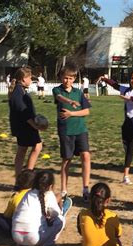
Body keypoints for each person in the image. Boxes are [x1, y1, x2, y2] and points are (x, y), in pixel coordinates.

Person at [99, 71, 133, 185]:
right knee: (130, 149)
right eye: (132, 78)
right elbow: (115, 85)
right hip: (130, 123)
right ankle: (125, 176)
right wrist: (104, 79)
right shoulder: (126, 90)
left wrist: (130, 99)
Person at [52, 63, 92, 201]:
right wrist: (70, 101)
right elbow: (60, 98)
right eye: (65, 78)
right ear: (61, 77)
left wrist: (72, 113)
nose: (67, 81)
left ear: (74, 79)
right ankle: (63, 190)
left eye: (70, 78)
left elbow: (87, 111)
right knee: (66, 159)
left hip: (80, 129)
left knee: (86, 156)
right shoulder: (57, 90)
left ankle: (86, 189)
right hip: (66, 130)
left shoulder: (79, 93)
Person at [12, 171, 72, 246]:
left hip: (16, 236)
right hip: (33, 238)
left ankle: (22, 243)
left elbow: (17, 211)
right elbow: (56, 214)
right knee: (61, 219)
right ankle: (48, 245)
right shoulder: (49, 194)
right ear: (50, 185)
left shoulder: (28, 194)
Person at [8, 67, 43, 181]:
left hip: (24, 126)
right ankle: (26, 176)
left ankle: (23, 177)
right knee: (36, 147)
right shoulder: (18, 93)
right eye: (29, 78)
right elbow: (23, 114)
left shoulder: (21, 90)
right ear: (23, 79)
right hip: (24, 127)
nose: (31, 80)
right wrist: (35, 125)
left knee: (23, 150)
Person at [78, 182, 123, 246]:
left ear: (89, 198)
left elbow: (81, 232)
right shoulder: (112, 216)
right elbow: (118, 235)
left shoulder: (82, 215)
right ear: (108, 200)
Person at [0, 169, 36, 236]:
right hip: (36, 229)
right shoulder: (38, 195)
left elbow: (7, 215)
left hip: (18, 231)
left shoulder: (16, 197)